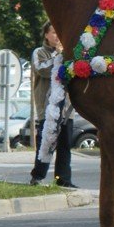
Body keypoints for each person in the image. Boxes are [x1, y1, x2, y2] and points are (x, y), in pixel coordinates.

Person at [30, 21, 76, 186]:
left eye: (59, 33)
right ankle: (38, 176)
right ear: (46, 35)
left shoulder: (68, 53)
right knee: (46, 142)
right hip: (47, 108)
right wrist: (58, 56)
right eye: (54, 32)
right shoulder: (40, 52)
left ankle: (63, 179)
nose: (57, 37)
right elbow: (42, 69)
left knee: (65, 146)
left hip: (65, 108)